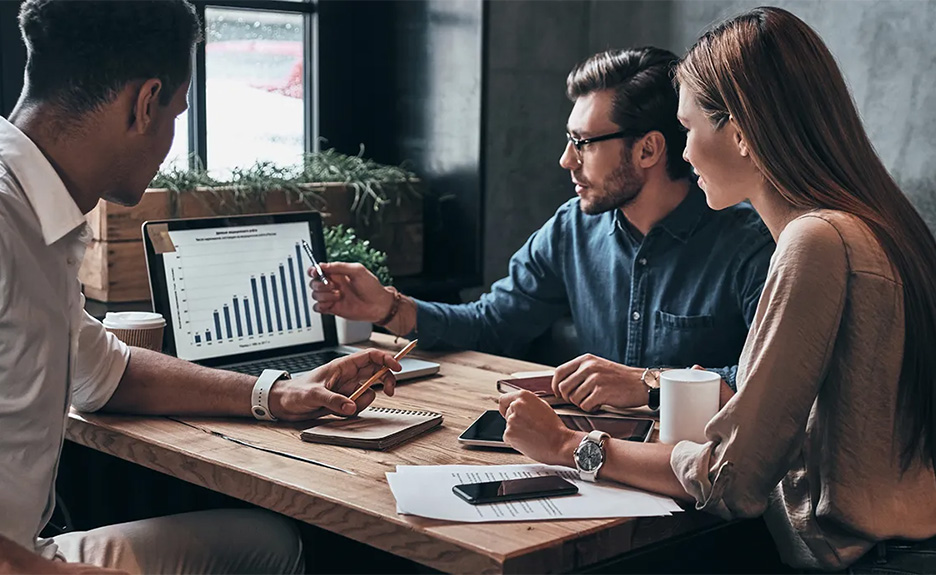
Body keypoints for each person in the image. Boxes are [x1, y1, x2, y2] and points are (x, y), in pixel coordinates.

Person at [498, 6, 936, 572]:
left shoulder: (816, 243)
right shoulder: (877, 227)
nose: (681, 154)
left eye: (688, 130)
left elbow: (732, 480)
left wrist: (565, 447)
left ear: (742, 131)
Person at [0, 2, 401, 573]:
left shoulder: (39, 216)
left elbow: (104, 373)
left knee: (268, 544)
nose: (170, 142)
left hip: (30, 550)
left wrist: (276, 393)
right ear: (144, 103)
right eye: (177, 114)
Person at [311, 47, 773, 411]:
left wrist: (648, 383)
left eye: (583, 144)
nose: (566, 160)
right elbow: (493, 324)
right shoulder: (571, 230)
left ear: (648, 150)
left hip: (698, 483)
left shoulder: (750, 245)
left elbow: (766, 385)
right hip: (591, 461)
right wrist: (387, 306)